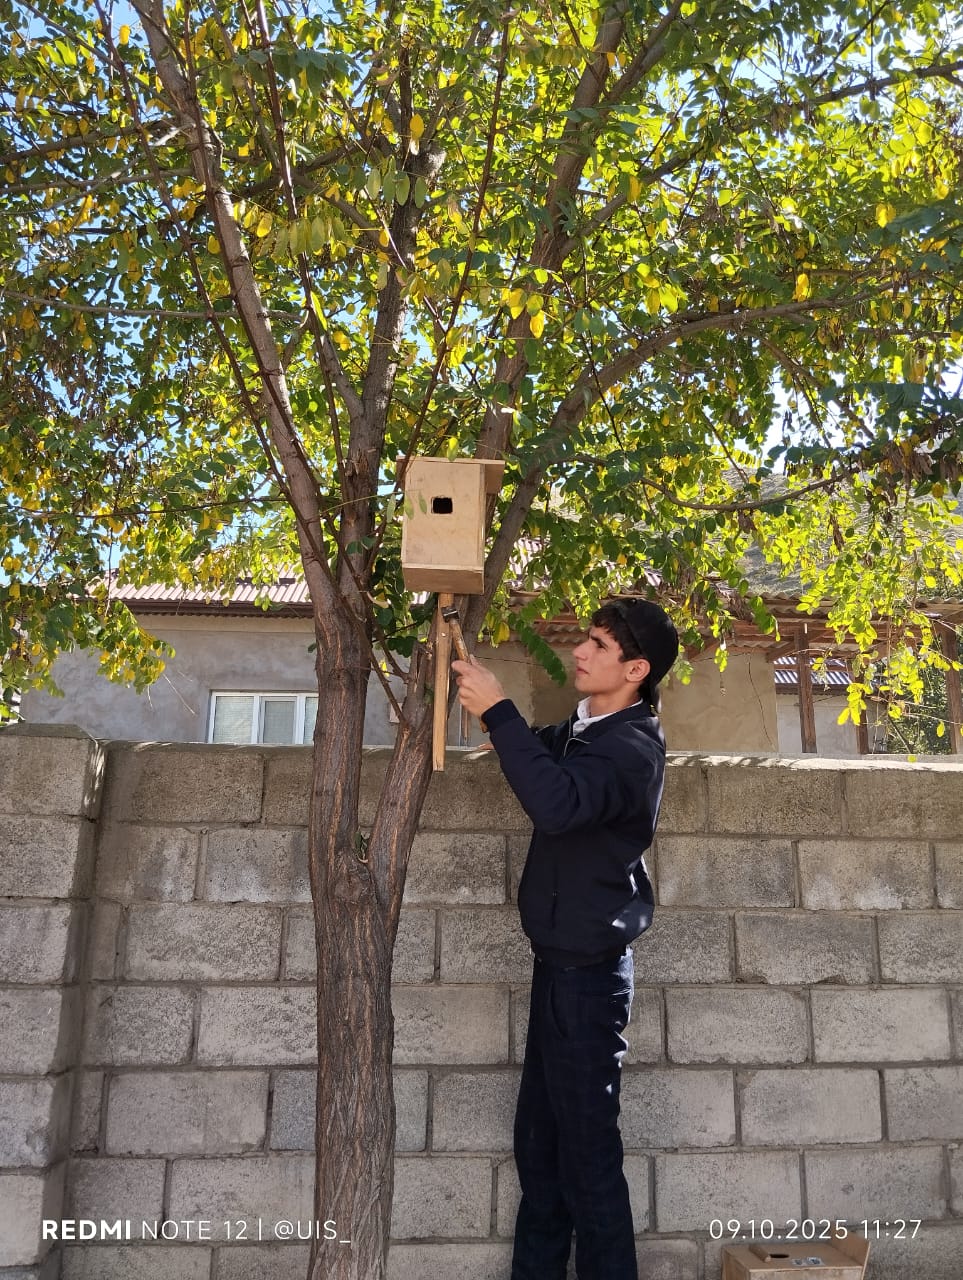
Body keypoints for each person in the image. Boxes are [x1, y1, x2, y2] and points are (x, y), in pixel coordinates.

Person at [452, 598, 679, 1280]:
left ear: (634, 669)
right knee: (540, 1151)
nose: (580, 652)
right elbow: (556, 751)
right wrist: (515, 735)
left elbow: (558, 805)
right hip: (557, 967)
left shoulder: (632, 748)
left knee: (586, 1161)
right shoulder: (589, 730)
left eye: (599, 646)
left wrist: (498, 712)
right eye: (585, 637)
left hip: (589, 978)